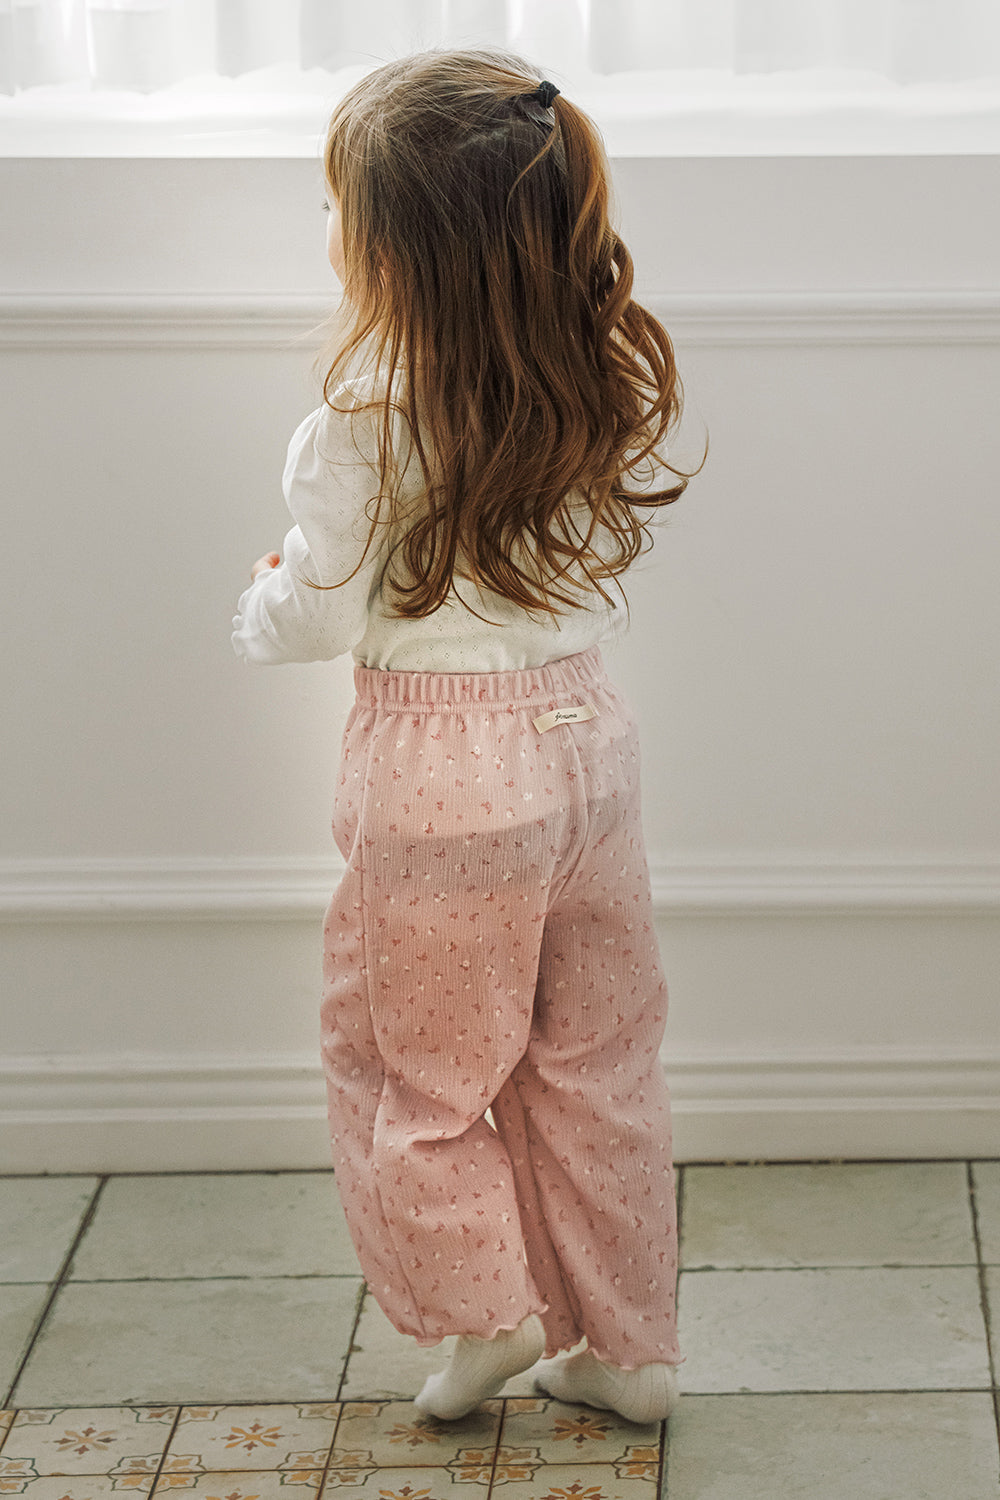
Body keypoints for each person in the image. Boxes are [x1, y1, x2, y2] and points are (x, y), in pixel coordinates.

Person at [232, 47, 696, 1425]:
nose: (325, 228)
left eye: (337, 207)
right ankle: (629, 1349)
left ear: (397, 252)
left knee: (409, 1067)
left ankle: (485, 1316)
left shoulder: (363, 421)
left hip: (445, 778)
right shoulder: (582, 373)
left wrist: (262, 597)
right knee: (598, 1060)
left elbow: (314, 616)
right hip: (587, 747)